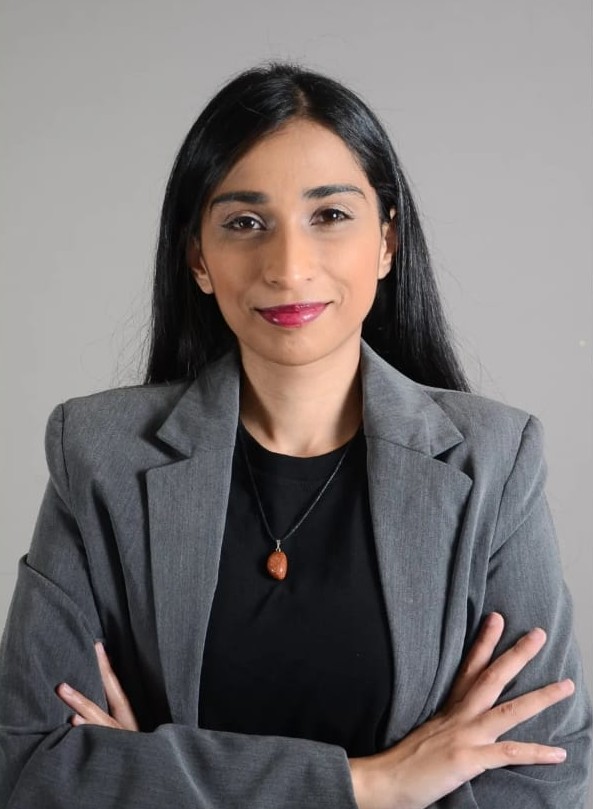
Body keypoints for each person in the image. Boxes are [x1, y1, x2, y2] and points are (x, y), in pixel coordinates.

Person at [0, 62, 590, 809]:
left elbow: (544, 778)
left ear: (385, 242)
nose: (287, 266)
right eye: (245, 223)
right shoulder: (98, 454)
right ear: (198, 259)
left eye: (330, 215)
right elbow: (31, 768)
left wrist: (154, 774)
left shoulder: (494, 460)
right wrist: (373, 783)